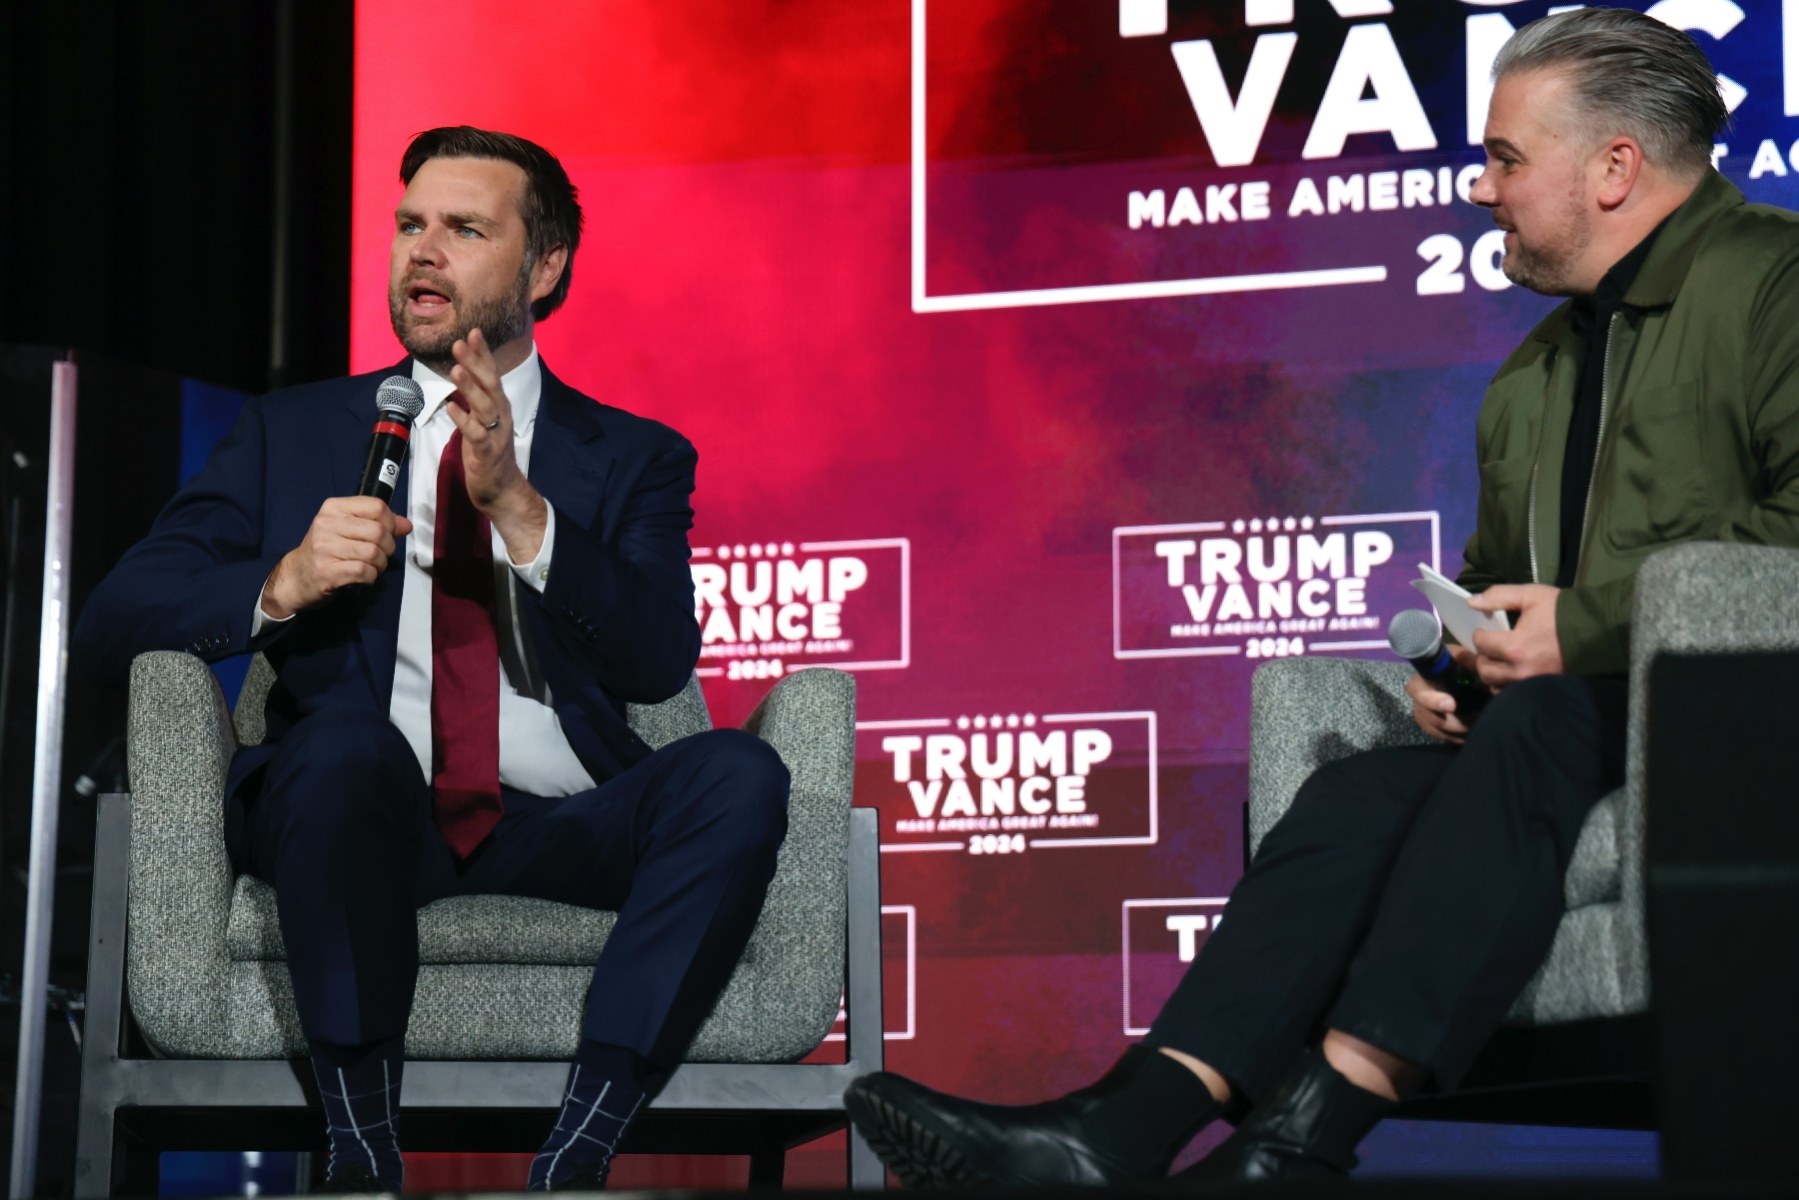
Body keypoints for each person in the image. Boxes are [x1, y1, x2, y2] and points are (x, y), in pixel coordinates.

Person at [844, 7, 1799, 1185]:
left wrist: (1582, 632)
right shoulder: (1530, 376)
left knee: (1546, 720)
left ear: (1613, 167)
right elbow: (1504, 590)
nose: (1478, 184)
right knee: (1357, 792)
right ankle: (1122, 1125)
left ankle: (1308, 1132)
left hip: (1735, 728)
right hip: (1571, 730)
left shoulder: (1774, 284)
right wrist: (1463, 670)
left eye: (1504, 156)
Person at [74, 126, 791, 1193]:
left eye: (463, 229)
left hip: (561, 823)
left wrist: (522, 511)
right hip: (362, 815)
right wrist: (282, 582)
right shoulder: (296, 432)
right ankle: (362, 1149)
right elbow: (113, 617)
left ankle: (582, 1145)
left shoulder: (631, 455)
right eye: (410, 223)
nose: (422, 252)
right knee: (348, 748)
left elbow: (653, 660)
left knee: (738, 775)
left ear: (543, 269)